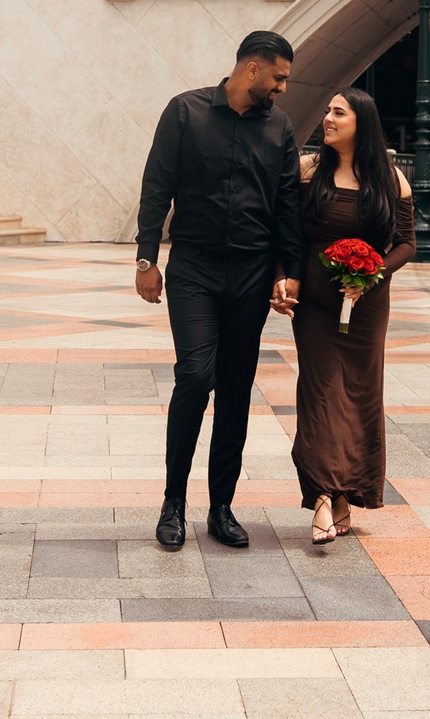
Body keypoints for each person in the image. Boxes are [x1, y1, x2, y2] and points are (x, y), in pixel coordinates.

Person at [134, 31, 304, 551]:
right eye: (277, 78)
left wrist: (288, 270)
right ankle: (172, 503)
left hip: (251, 274)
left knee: (235, 388)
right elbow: (156, 186)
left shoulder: (280, 128)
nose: (281, 89)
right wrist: (146, 258)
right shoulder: (184, 112)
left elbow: (287, 207)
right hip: (194, 269)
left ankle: (222, 508)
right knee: (195, 374)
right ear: (252, 69)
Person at [291, 89, 413, 543]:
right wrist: (286, 278)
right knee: (321, 394)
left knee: (360, 397)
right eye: (326, 111)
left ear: (361, 122)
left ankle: (346, 495)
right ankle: (322, 495)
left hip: (367, 307)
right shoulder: (308, 171)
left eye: (337, 113)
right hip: (316, 307)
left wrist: (372, 273)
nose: (327, 118)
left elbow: (406, 243)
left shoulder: (390, 179)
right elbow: (288, 233)